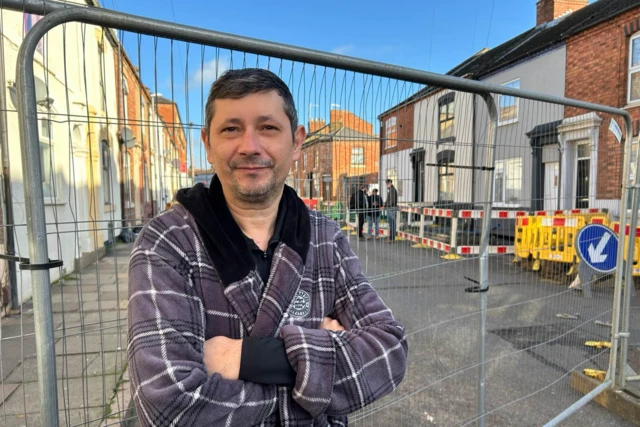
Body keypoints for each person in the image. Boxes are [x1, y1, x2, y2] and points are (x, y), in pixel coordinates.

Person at [127, 68, 408, 426]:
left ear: (296, 142)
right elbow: (167, 404)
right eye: (231, 129)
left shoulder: (326, 238)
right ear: (207, 145)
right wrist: (321, 356)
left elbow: (389, 353)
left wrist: (245, 358)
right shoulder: (167, 242)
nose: (250, 146)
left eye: (268, 128)